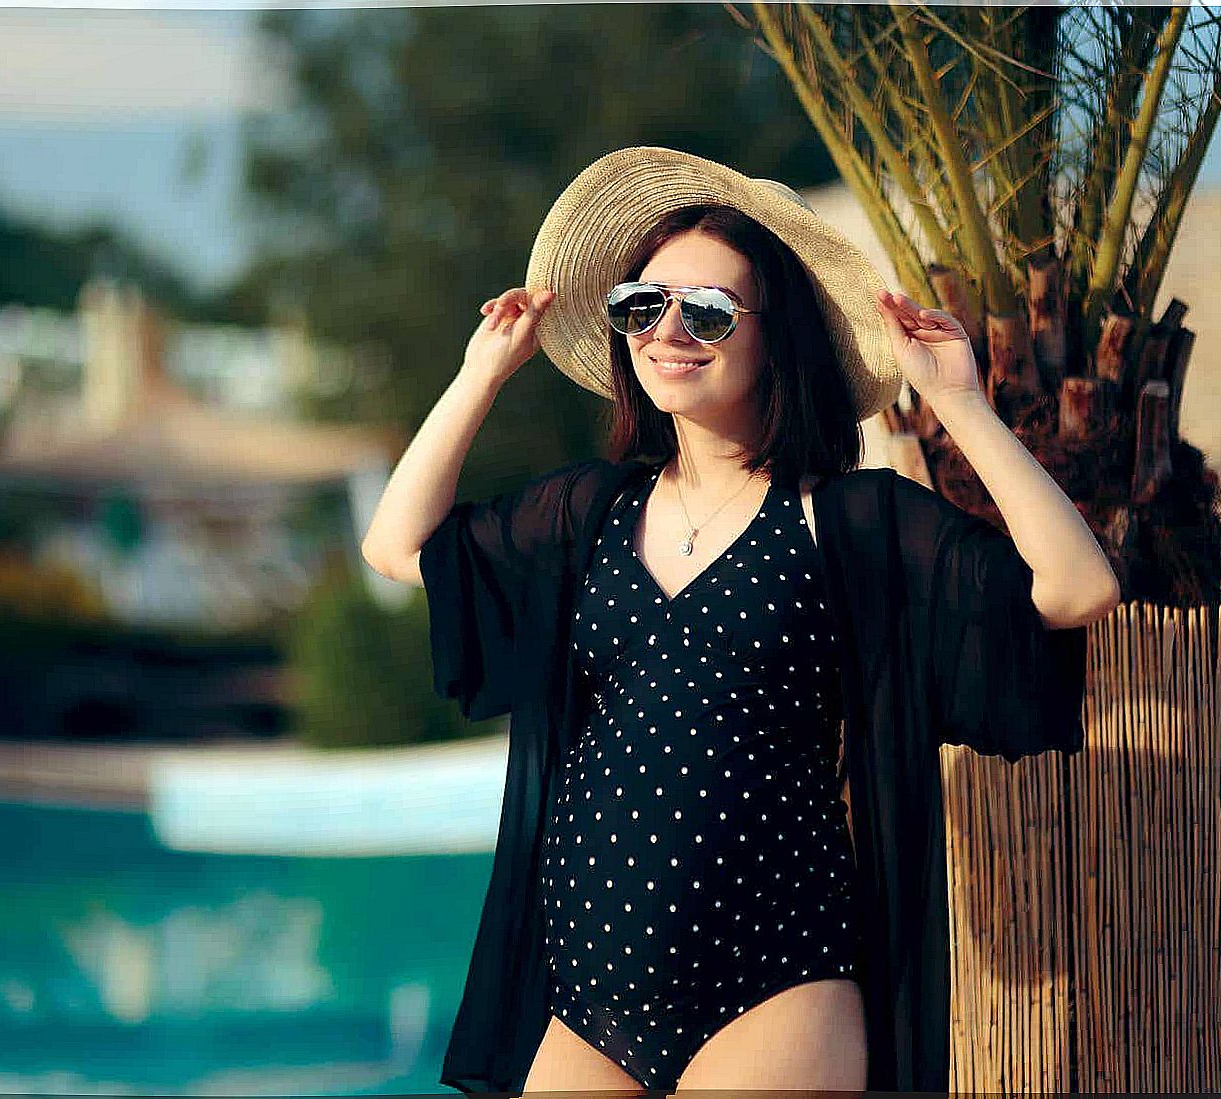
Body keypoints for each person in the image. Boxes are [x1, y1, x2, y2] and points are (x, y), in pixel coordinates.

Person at [360, 146, 1120, 1094]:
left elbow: (1077, 587)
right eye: (644, 303)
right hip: (587, 997)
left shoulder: (847, 520)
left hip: (774, 985)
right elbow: (397, 548)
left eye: (709, 311)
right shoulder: (589, 513)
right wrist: (482, 375)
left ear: (776, 338)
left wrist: (961, 405)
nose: (670, 329)